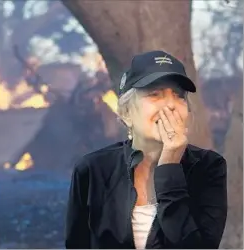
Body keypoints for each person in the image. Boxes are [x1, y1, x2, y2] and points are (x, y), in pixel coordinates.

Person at [65, 50, 227, 249]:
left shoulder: (208, 167)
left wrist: (169, 167)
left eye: (179, 96)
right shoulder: (93, 170)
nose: (170, 105)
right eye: (155, 94)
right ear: (126, 113)